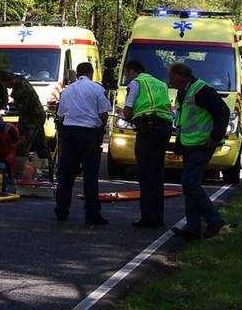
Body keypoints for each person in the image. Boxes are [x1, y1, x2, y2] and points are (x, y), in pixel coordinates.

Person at [168, 62, 229, 239]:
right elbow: (182, 119)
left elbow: (223, 112)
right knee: (189, 186)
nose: (170, 82)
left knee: (190, 183)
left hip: (203, 144)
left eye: (172, 78)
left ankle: (214, 219)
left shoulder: (202, 90)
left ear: (181, 75)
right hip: (189, 144)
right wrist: (178, 144)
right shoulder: (183, 91)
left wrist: (215, 137)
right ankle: (193, 227)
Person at [54, 62, 111, 225]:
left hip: (70, 134)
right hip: (88, 135)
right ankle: (92, 214)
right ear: (91, 73)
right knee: (90, 176)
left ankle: (61, 209)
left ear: (77, 73)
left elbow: (61, 114)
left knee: (66, 174)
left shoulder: (67, 90)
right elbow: (103, 114)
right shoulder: (97, 89)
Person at [121, 60, 173, 229]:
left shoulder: (136, 83)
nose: (126, 78)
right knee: (158, 174)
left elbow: (128, 110)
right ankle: (158, 217)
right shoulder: (160, 84)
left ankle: (148, 219)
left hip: (148, 130)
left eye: (126, 74)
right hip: (164, 129)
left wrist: (126, 116)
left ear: (132, 71)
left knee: (145, 175)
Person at [0, 69, 51, 180]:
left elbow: (24, 113)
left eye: (5, 84)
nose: (6, 87)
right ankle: (47, 171)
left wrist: (13, 145)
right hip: (35, 115)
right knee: (41, 145)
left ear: (8, 81)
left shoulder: (22, 91)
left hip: (33, 117)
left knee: (23, 144)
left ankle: (20, 175)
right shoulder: (19, 79)